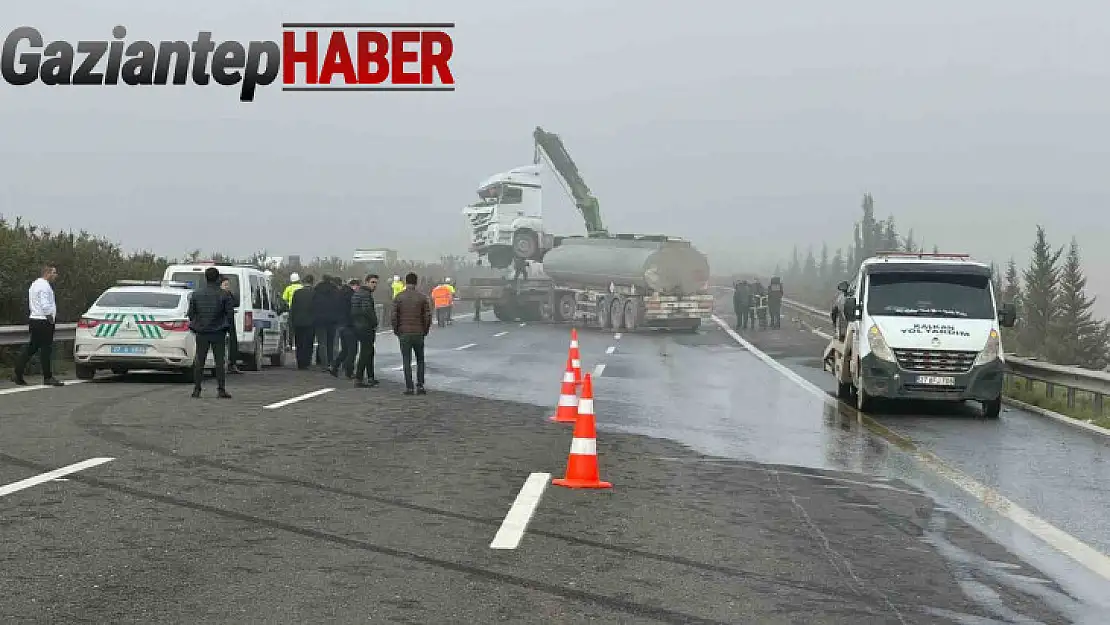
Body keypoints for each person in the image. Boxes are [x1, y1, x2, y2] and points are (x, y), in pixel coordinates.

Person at [11, 263, 64, 387]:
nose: (56, 275)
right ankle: (48, 377)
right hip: (43, 321)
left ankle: (17, 373)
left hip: (34, 319)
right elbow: (45, 305)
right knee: (46, 349)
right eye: (54, 273)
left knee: (31, 348)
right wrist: (50, 319)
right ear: (47, 273)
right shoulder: (45, 287)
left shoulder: (34, 284)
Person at [187, 267, 234, 398]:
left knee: (199, 360)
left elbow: (191, 313)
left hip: (201, 331)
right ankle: (221, 389)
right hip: (218, 331)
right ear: (218, 278)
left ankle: (197, 389)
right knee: (219, 361)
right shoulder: (224, 295)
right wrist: (227, 328)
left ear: (205, 278)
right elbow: (229, 314)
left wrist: (198, 324)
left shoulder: (196, 294)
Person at [392, 272, 432, 395]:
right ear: (416, 282)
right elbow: (427, 316)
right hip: (418, 332)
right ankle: (420, 385)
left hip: (404, 333)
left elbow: (394, 316)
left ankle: (409, 387)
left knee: (406, 360)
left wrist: (396, 330)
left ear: (405, 281)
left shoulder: (399, 297)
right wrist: (425, 330)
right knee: (420, 359)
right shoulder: (422, 297)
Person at [346, 274, 380, 387]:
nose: (375, 285)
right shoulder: (366, 295)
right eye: (373, 282)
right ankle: (359, 378)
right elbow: (367, 310)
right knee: (366, 352)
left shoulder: (357, 293)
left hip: (358, 325)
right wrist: (375, 321)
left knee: (369, 351)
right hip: (365, 327)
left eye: (376, 283)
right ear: (366, 282)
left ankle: (370, 377)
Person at [330, 278, 360, 379]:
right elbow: (353, 312)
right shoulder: (351, 296)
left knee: (345, 350)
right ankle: (349, 371)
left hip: (341, 325)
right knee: (352, 350)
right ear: (355, 285)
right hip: (350, 326)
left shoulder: (340, 294)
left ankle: (334, 366)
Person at [311, 275, 342, 369]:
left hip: (319, 320)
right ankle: (331, 363)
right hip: (333, 320)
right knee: (331, 343)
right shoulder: (336, 291)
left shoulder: (316, 290)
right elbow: (339, 305)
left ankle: (324, 365)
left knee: (322, 343)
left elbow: (312, 305)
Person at [290, 274, 316, 369]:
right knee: (308, 343)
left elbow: (293, 308)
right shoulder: (314, 293)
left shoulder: (297, 293)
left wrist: (292, 321)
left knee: (299, 342)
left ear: (303, 282)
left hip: (298, 321)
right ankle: (306, 362)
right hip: (310, 322)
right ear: (312, 282)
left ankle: (300, 362)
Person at [220, 277, 242, 374]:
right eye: (225, 285)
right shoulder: (218, 295)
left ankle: (232, 364)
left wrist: (230, 293)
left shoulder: (229, 295)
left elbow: (236, 302)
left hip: (230, 322)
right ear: (220, 286)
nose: (227, 287)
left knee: (233, 342)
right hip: (220, 322)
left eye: (228, 285)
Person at [281, 272, 303, 349]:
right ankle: (300, 343)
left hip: (292, 310)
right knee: (300, 328)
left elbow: (283, 299)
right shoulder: (302, 287)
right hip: (301, 310)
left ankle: (290, 344)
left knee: (291, 328)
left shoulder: (288, 288)